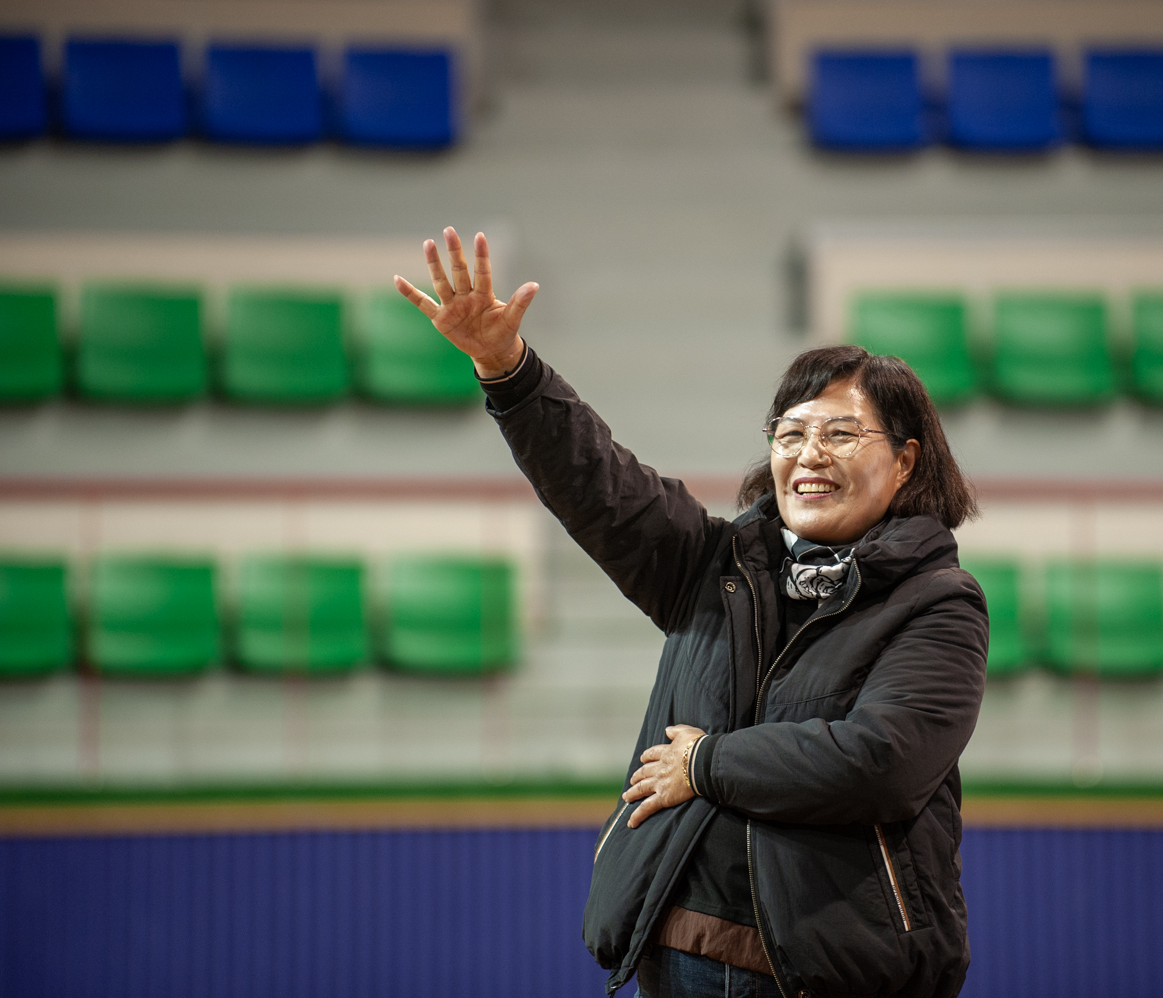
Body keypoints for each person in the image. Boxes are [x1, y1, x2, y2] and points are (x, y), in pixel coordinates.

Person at [396, 228, 988, 998]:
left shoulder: (938, 602)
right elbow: (601, 484)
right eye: (790, 433)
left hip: (828, 979)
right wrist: (507, 369)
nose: (809, 453)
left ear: (905, 460)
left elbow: (881, 762)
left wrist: (706, 765)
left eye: (841, 433)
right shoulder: (716, 564)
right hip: (673, 962)